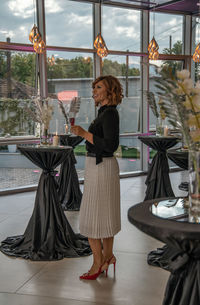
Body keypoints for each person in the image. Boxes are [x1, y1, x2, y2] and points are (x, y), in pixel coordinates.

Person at [71, 75, 123, 280]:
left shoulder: (109, 114)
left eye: (98, 87)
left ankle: (97, 264)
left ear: (109, 91)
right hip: (101, 167)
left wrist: (84, 133)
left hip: (101, 168)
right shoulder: (106, 112)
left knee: (92, 219)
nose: (94, 90)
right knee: (106, 216)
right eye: (93, 87)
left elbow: (110, 145)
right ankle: (108, 257)